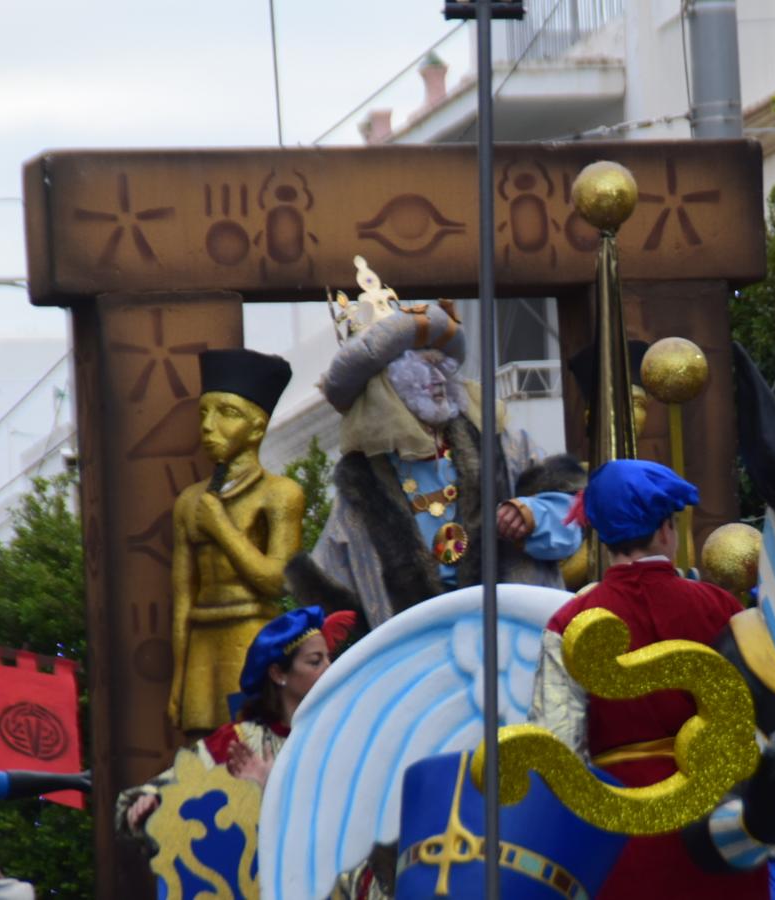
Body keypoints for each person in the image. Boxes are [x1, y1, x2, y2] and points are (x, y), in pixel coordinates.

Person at [285, 264, 583, 628]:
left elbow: (572, 518)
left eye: (441, 365)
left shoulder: (503, 446)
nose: (440, 377)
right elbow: (333, 591)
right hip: (421, 657)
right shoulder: (363, 488)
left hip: (510, 636)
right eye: (423, 367)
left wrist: (532, 514)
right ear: (385, 390)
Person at [528, 459, 768, 900]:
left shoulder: (569, 621)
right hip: (721, 829)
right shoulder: (723, 608)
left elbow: (556, 747)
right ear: (665, 530)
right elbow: (758, 723)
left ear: (600, 534)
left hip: (621, 836)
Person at [118, 606, 351, 840]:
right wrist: (152, 801)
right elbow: (168, 789)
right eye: (315, 662)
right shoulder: (237, 741)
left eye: (328, 658)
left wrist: (271, 788)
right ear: (278, 674)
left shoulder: (340, 738)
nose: (329, 669)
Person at [169, 348, 304, 734]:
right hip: (201, 639)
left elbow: (277, 581)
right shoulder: (189, 502)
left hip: (252, 631)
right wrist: (179, 678)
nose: (208, 426)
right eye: (203, 413)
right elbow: (183, 597)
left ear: (257, 428)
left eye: (226, 413)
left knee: (249, 738)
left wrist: (221, 527)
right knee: (200, 747)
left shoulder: (280, 494)